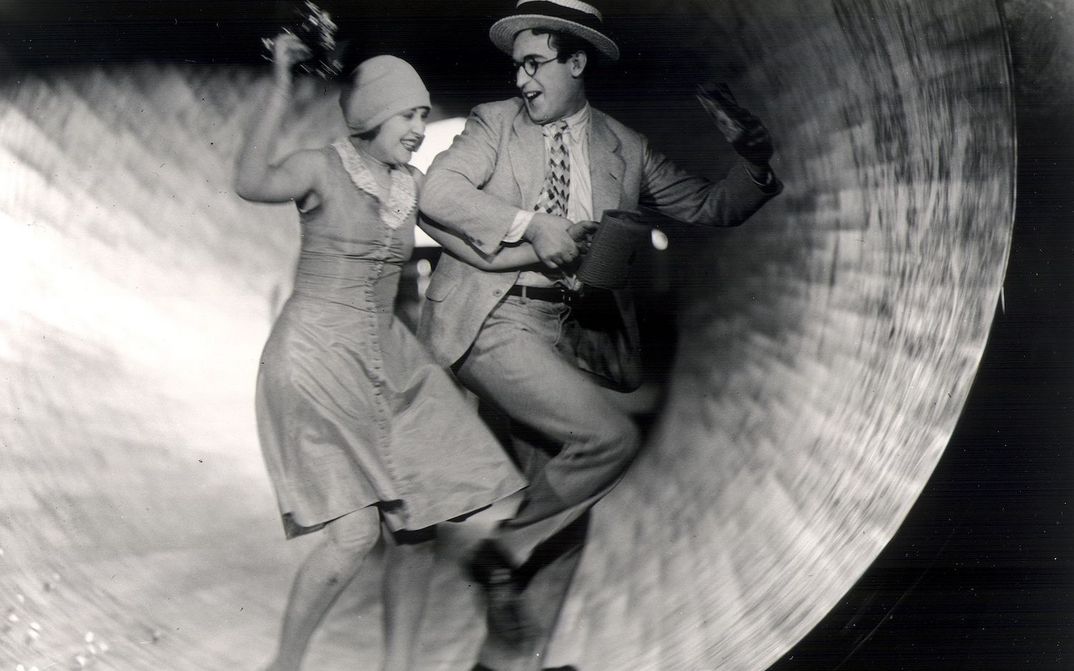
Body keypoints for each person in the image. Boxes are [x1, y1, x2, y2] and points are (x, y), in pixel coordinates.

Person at [417, 2, 783, 669]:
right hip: (494, 318)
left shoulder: (626, 148)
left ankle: (508, 662)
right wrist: (532, 225)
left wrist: (754, 162)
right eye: (517, 67)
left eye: (535, 64)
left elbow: (710, 205)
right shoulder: (494, 123)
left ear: (577, 61)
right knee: (607, 439)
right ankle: (502, 549)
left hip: (569, 333)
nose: (522, 80)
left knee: (566, 519)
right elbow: (437, 193)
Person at [234, 33, 542, 671]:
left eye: (424, 115)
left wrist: (547, 249)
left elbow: (477, 251)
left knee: (418, 528)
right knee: (354, 535)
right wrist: (281, 81)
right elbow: (251, 180)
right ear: (373, 115)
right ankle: (283, 666)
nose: (419, 129)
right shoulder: (320, 167)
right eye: (409, 115)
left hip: (387, 360)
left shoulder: (412, 185)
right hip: (316, 356)